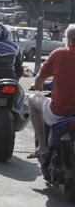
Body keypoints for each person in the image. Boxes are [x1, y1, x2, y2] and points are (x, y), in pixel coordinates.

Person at [28, 24, 75, 158]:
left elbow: (39, 80)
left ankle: (42, 146)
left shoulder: (59, 53)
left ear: (69, 39)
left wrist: (39, 86)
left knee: (31, 99)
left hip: (60, 112)